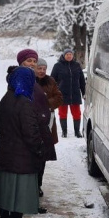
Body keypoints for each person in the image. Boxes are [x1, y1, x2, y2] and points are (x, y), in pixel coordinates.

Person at [0, 66, 43, 218]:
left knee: (5, 194)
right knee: (19, 196)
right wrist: (39, 149)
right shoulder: (24, 103)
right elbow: (31, 134)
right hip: (22, 159)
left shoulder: (5, 100)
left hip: (6, 156)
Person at [13, 49, 55, 213]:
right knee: (26, 168)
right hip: (27, 132)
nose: (32, 63)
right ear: (21, 62)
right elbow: (22, 106)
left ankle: (29, 201)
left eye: (34, 61)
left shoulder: (33, 80)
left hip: (36, 131)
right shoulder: (21, 79)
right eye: (28, 60)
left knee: (34, 167)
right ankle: (23, 206)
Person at [34, 57, 63, 194]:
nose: (41, 71)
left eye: (44, 69)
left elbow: (59, 98)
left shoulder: (51, 81)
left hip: (48, 123)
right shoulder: (30, 81)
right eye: (39, 68)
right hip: (32, 122)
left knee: (43, 156)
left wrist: (46, 103)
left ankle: (38, 184)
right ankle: (30, 184)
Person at [51, 49, 86, 138]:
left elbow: (82, 80)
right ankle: (64, 132)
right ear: (63, 55)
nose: (69, 56)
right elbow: (52, 80)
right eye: (67, 54)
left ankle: (77, 132)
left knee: (77, 113)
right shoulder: (57, 66)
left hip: (75, 93)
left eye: (70, 54)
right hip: (62, 94)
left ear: (72, 56)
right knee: (62, 113)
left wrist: (84, 92)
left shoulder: (77, 65)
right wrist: (53, 93)